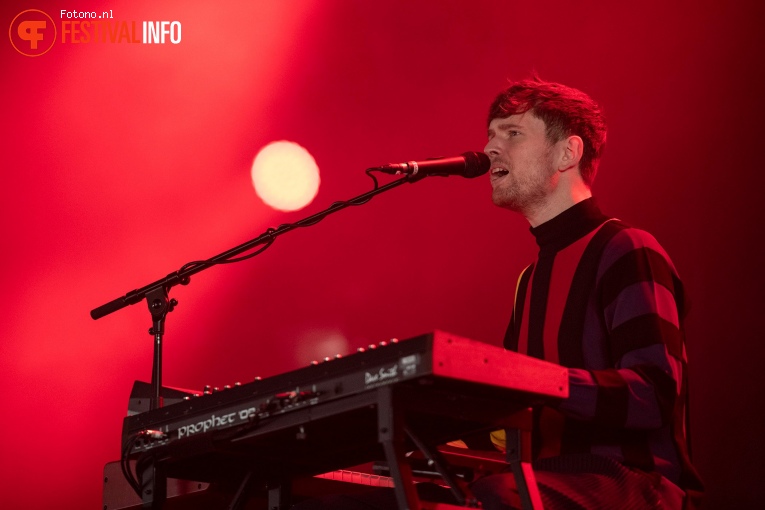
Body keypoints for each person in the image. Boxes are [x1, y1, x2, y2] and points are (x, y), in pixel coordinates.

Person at [471, 75, 704, 509]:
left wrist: (536, 381)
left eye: (513, 133)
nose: (489, 149)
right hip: (536, 485)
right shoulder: (529, 281)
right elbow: (510, 419)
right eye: (490, 135)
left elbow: (653, 394)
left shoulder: (626, 248)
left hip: (634, 487)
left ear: (568, 153)